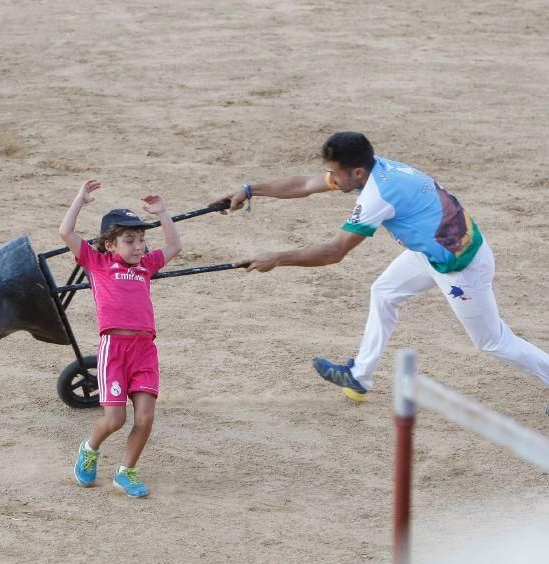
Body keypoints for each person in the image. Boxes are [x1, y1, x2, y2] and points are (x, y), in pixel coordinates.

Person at [213, 131, 549, 400]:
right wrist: (249, 190)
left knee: (493, 342)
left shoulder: (378, 196)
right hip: (433, 250)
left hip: (460, 266)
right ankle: (359, 375)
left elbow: (334, 252)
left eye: (334, 173)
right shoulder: (377, 169)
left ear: (357, 171)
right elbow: (305, 184)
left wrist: (277, 258)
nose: (329, 177)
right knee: (385, 292)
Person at [59, 179, 182, 497]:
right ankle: (90, 449)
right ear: (110, 244)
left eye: (141, 239)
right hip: (114, 349)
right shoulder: (97, 263)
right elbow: (66, 234)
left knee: (145, 417)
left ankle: (126, 472)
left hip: (144, 350)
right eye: (130, 240)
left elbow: (173, 247)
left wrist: (163, 212)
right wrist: (80, 199)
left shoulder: (146, 266)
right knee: (114, 419)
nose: (139, 246)